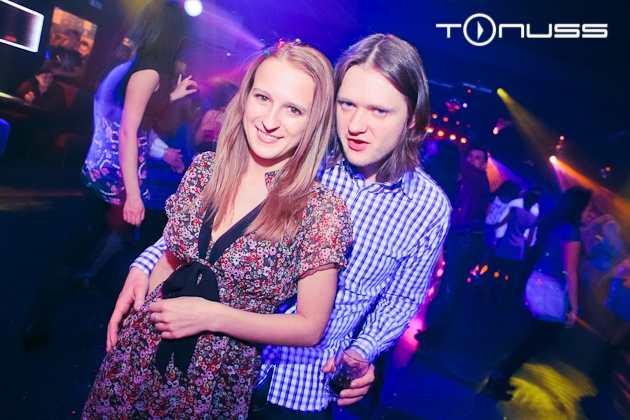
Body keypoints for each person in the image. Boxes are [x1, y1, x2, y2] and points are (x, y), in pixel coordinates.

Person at [121, 33, 451, 417]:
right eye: (347, 104)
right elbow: (212, 222)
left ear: (413, 119)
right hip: (216, 362)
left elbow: (401, 299)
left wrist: (362, 352)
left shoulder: (428, 208)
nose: (356, 125)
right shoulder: (298, 153)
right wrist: (145, 264)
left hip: (303, 387)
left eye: (379, 111)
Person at [83, 40, 353, 419]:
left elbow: (310, 327)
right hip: (142, 347)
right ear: (245, 98)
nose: (270, 120)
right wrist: (138, 314)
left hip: (215, 378)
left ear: (315, 121)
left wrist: (212, 316)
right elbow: (173, 259)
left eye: (293, 109)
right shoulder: (205, 170)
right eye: (262, 97)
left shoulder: (320, 210)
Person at [21, 0, 197, 351]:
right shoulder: (148, 71)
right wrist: (132, 194)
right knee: (81, 251)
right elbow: (129, 131)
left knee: (90, 248)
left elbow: (131, 118)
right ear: (172, 34)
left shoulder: (128, 65)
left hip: (101, 174)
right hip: (113, 182)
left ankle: (47, 318)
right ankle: (37, 326)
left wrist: (171, 97)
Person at [481, 186, 593, 401]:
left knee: (537, 336)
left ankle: (502, 373)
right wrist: (574, 306)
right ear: (578, 208)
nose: (591, 212)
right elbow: (570, 272)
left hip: (538, 281)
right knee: (544, 337)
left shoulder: (555, 222)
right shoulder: (571, 232)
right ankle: (500, 374)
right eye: (589, 208)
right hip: (549, 288)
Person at [421, 143, 490, 342]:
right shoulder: (466, 180)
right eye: (471, 156)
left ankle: (438, 333)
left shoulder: (479, 178)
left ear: (485, 165)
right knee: (447, 287)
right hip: (459, 237)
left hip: (466, 239)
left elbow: (455, 159)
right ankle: (434, 328)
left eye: (477, 158)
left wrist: (442, 147)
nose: (472, 160)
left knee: (452, 289)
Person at [490, 190, 540, 307]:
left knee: (497, 271)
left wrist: (490, 226)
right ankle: (504, 303)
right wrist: (527, 250)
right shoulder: (534, 218)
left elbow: (502, 223)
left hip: (505, 244)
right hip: (518, 249)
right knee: (512, 278)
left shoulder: (515, 210)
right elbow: (530, 239)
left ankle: (492, 296)